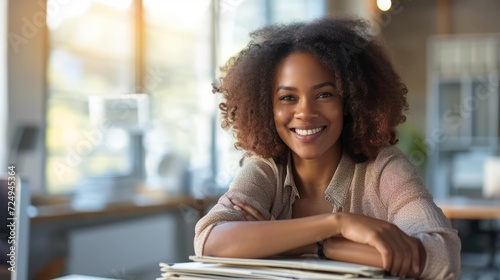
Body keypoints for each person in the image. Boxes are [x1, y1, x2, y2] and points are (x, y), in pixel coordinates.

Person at [194, 15, 460, 279]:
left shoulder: (383, 168)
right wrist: (338, 224)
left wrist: (313, 245)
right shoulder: (267, 169)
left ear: (350, 101)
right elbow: (210, 241)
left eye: (324, 95)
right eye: (288, 98)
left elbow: (442, 257)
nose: (305, 112)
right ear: (267, 109)